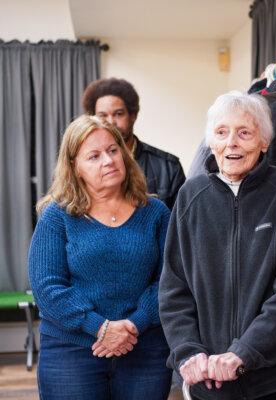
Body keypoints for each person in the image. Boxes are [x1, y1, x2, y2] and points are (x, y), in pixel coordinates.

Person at [158, 91, 276, 400]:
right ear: (211, 142)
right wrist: (188, 351)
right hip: (211, 379)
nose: (231, 142)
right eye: (221, 132)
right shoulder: (190, 196)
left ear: (264, 142)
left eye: (244, 133)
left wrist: (245, 353)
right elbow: (173, 288)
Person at [28, 115, 172, 399]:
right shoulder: (58, 216)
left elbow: (170, 279)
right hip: (72, 351)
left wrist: (135, 323)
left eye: (112, 150)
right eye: (93, 156)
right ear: (75, 168)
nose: (108, 160)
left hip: (144, 347)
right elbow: (47, 286)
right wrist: (99, 327)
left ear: (124, 153)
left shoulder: (155, 212)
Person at [82, 78, 185, 209]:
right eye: (102, 116)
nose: (111, 122)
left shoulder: (168, 167)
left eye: (118, 114)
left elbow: (181, 224)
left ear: (133, 116)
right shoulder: (84, 165)